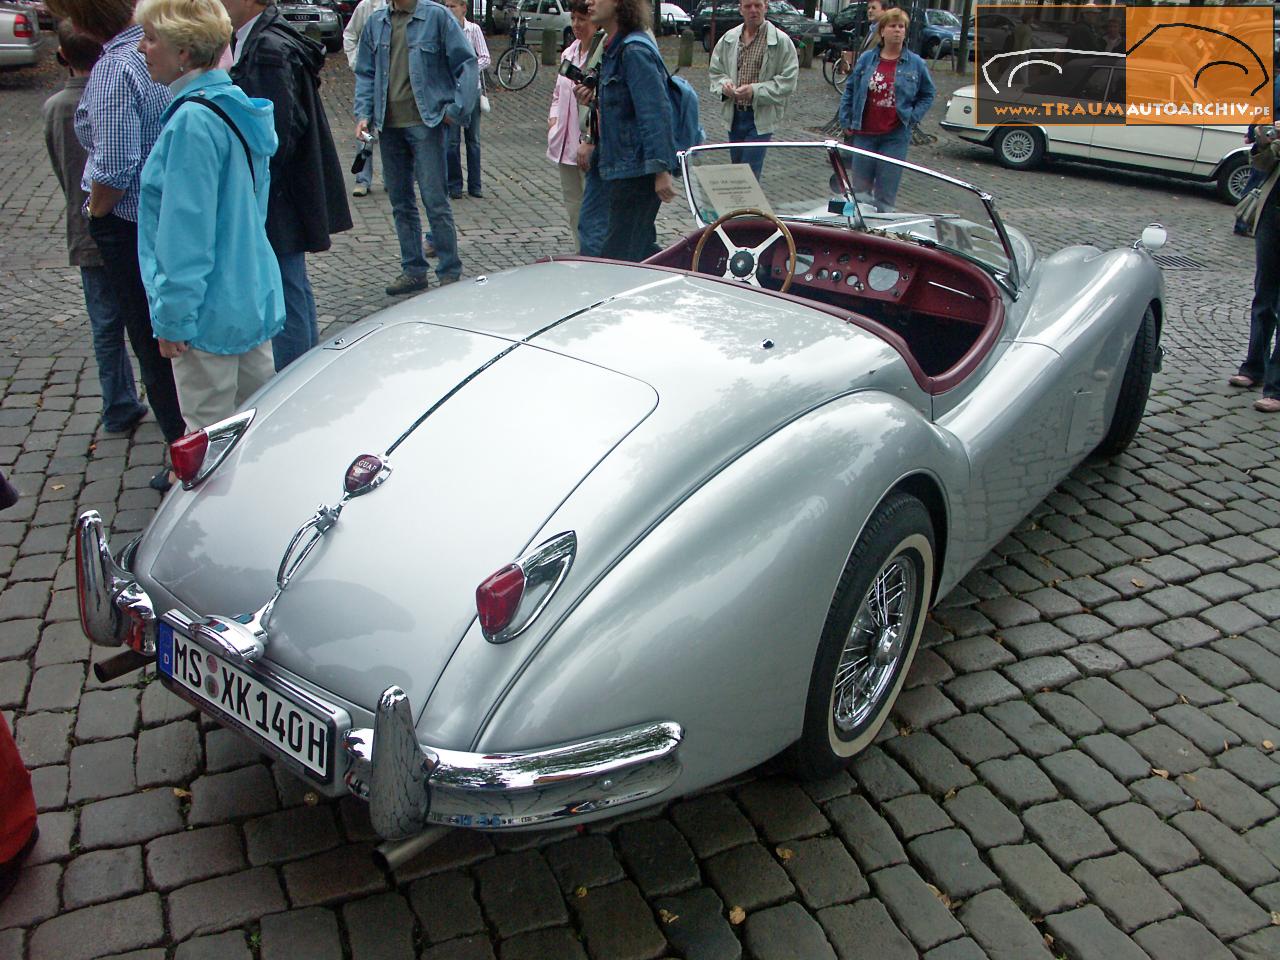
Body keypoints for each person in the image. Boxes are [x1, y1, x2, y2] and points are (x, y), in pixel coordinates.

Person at [44, 0, 187, 491]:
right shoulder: (161, 52)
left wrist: (94, 211)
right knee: (171, 329)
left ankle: (181, 453)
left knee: (152, 341)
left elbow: (113, 168)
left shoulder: (115, 68)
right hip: (170, 211)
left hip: (130, 221)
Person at [135, 0, 284, 436]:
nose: (143, 49)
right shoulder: (233, 105)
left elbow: (185, 235)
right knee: (255, 428)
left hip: (208, 310)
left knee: (209, 438)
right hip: (248, 294)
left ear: (183, 52)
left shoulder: (192, 124)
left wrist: (173, 318)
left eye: (151, 39)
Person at [222, 0, 352, 372]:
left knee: (284, 286)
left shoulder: (267, 47)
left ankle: (294, 377)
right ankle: (303, 370)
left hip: (280, 190)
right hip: (287, 187)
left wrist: (258, 182)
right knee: (290, 284)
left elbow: (277, 132)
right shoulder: (264, 39)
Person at [43, 22, 149, 437]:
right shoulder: (117, 86)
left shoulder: (55, 106)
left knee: (106, 325)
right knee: (142, 318)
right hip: (121, 222)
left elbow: (60, 166)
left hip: (87, 227)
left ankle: (118, 402)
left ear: (63, 57)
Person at [353, 0, 477, 295]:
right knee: (401, 202)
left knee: (435, 199)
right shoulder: (377, 22)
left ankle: (449, 272)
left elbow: (467, 64)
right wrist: (363, 114)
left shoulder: (437, 17)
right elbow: (366, 73)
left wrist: (456, 110)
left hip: (427, 123)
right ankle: (414, 270)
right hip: (389, 125)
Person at [588, 0, 678, 262]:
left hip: (637, 172)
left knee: (620, 254)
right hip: (620, 167)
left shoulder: (634, 50)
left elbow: (655, 113)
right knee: (637, 248)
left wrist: (661, 171)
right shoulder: (612, 47)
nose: (588, 2)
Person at [838, 7, 935, 211]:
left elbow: (928, 94)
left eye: (901, 26)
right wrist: (846, 120)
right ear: (882, 31)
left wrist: (913, 117)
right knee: (860, 194)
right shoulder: (867, 59)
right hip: (865, 134)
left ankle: (881, 231)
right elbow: (851, 89)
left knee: (886, 194)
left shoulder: (915, 64)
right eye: (892, 26)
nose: (897, 30)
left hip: (895, 136)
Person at [707, 0, 797, 181]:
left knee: (748, 175)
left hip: (760, 118)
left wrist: (755, 91)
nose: (753, 10)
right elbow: (716, 72)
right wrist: (725, 86)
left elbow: (788, 82)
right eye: (748, 6)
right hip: (734, 116)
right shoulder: (729, 39)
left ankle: (748, 208)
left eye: (758, 5)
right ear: (741, 9)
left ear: (766, 7)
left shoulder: (781, 41)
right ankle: (742, 208)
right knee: (737, 170)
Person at [1231, 124, 1280, 412]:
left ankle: (1276, 388)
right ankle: (1254, 369)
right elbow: (1262, 165)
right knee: (1263, 298)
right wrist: (1265, 142)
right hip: (1272, 218)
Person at [550, 0, 595, 239]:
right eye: (573, 19)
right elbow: (558, 94)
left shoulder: (600, 54)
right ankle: (580, 252)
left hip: (587, 141)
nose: (576, 25)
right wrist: (553, 119)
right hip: (564, 141)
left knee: (592, 207)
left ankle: (594, 256)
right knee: (573, 206)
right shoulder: (569, 52)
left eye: (582, 19)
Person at [443, 0, 487, 199]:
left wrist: (468, 70)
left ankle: (475, 185)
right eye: (447, 6)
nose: (449, 10)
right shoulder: (443, 28)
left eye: (453, 6)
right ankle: (454, 185)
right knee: (451, 141)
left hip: (472, 90)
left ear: (463, 8)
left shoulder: (473, 30)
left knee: (473, 140)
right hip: (451, 92)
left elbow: (485, 57)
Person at [343, 0, 388, 197]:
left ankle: (391, 178)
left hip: (392, 81)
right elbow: (350, 34)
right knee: (366, 129)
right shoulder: (366, 6)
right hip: (370, 78)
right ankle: (362, 178)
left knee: (390, 130)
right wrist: (355, 61)